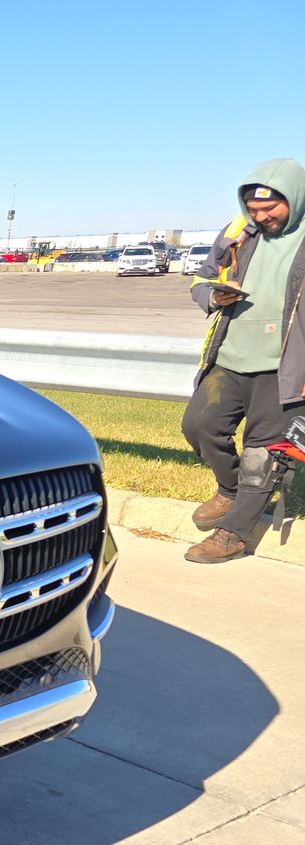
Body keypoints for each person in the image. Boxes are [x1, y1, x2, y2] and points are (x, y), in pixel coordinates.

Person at [183, 158, 305, 563]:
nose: (261, 216)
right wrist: (214, 295)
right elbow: (201, 278)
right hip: (231, 355)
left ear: (295, 198)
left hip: (284, 367)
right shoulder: (238, 233)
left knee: (263, 453)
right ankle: (230, 490)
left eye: (270, 208)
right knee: (200, 425)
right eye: (254, 209)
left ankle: (234, 533)